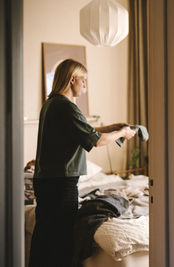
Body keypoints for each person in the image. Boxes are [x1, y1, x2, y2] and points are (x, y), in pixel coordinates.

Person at [29, 58, 136, 267]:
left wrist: (113, 126)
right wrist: (122, 132)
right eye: (83, 80)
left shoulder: (51, 104)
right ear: (71, 80)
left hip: (47, 182)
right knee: (61, 241)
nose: (85, 85)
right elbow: (96, 140)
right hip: (62, 184)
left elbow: (86, 132)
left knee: (44, 239)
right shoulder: (67, 107)